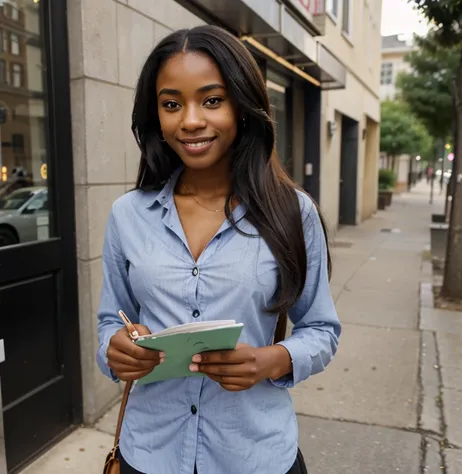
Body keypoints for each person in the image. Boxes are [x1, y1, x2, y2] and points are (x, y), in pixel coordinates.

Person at [97, 25, 341, 474]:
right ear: (156, 116)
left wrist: (271, 360)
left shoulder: (293, 212)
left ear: (243, 107)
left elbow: (322, 330)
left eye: (212, 100)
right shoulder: (127, 215)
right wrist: (116, 349)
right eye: (172, 104)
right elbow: (112, 320)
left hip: (254, 453)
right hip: (151, 451)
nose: (190, 120)